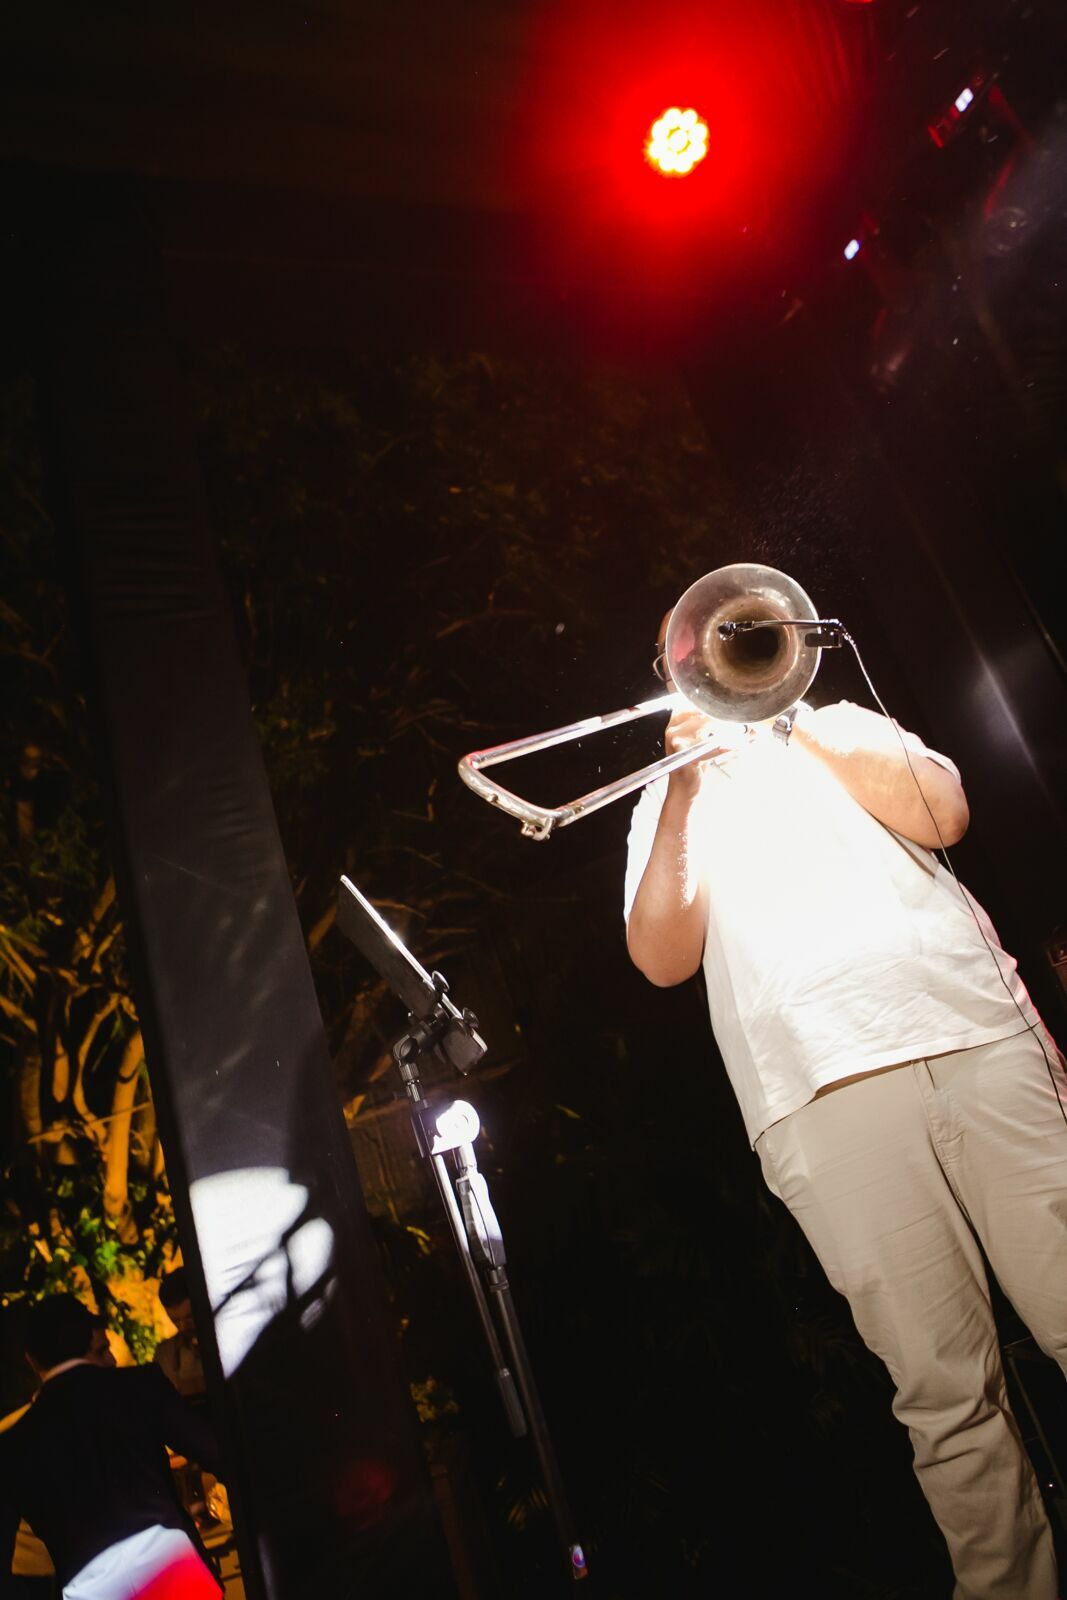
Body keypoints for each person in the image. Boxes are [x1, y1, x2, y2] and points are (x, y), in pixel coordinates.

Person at [625, 603, 1067, 1600]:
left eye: (738, 634)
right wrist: (688, 781)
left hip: (973, 1040)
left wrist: (790, 717)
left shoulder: (848, 725)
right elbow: (659, 955)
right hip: (817, 1097)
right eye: (691, 649)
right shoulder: (662, 795)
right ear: (667, 670)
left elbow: (943, 813)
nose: (715, 656)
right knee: (944, 1399)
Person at [0, 1295, 222, 1599]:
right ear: (87, 1337)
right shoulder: (139, 1386)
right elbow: (215, 1452)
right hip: (172, 1568)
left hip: (90, 1589)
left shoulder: (14, 1443)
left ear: (30, 1359)